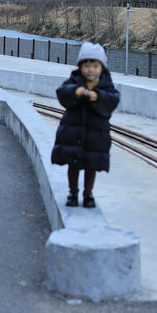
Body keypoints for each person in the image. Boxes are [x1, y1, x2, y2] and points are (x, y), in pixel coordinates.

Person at [51, 42, 120, 208]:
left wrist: (100, 97)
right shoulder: (74, 81)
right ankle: (73, 192)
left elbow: (113, 99)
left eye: (95, 66)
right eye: (87, 66)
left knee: (92, 165)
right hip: (73, 132)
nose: (91, 70)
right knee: (73, 164)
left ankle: (88, 194)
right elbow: (62, 93)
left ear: (101, 68)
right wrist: (75, 93)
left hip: (96, 134)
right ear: (81, 67)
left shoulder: (106, 84)